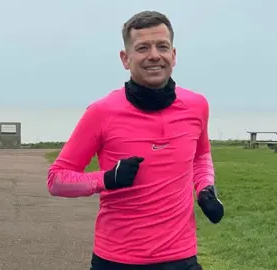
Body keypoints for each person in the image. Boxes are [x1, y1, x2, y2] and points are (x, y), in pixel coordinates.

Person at [47, 11, 224, 270]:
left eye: (162, 46)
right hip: (117, 260)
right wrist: (107, 179)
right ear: (125, 58)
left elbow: (200, 156)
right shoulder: (101, 112)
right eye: (142, 48)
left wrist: (205, 189)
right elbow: (57, 180)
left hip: (181, 258)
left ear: (173, 55)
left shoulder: (197, 106)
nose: (154, 55)